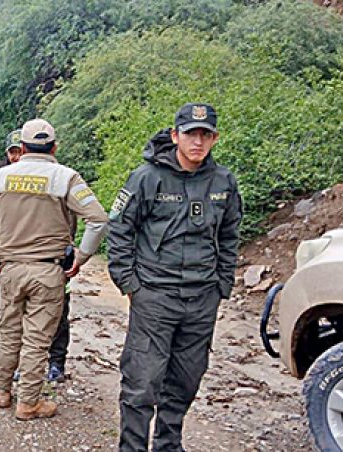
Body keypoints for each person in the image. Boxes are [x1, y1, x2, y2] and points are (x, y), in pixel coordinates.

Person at [107, 103, 242, 451]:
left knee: (186, 379)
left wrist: (222, 283)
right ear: (174, 135)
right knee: (142, 381)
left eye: (205, 134)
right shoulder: (147, 177)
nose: (197, 141)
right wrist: (130, 283)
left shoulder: (223, 181)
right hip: (155, 296)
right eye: (190, 133)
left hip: (202, 299)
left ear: (214, 138)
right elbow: (120, 229)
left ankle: (169, 445)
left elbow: (229, 234)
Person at [0, 119, 108, 420]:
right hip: (48, 271)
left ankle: (1, 391)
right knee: (37, 339)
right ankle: (29, 402)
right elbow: (98, 220)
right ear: (55, 147)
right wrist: (81, 257)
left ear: (21, 147)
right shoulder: (66, 178)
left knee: (9, 332)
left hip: (11, 269)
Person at [2, 129, 72, 383]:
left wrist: (74, 253)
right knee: (17, 319)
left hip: (54, 258)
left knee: (59, 314)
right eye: (12, 153)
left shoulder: (58, 178)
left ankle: (55, 362)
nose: (16, 157)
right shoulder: (2, 180)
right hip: (17, 260)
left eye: (20, 152)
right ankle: (27, 367)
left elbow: (72, 217)